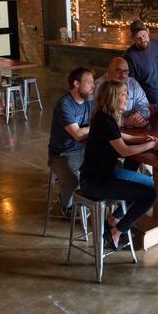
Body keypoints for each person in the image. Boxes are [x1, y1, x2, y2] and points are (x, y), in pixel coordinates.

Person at [80, 80, 158, 251]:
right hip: (97, 183)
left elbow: (121, 136)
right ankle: (117, 231)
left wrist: (143, 139)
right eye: (123, 94)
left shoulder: (104, 117)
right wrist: (151, 145)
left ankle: (114, 219)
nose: (127, 97)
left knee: (150, 184)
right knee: (150, 195)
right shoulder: (104, 121)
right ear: (113, 98)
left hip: (103, 174)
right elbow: (124, 150)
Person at [48, 67, 95, 214]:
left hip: (85, 150)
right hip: (62, 154)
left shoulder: (89, 101)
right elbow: (78, 135)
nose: (93, 86)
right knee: (74, 182)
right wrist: (93, 127)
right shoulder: (65, 104)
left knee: (106, 172)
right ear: (76, 84)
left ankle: (91, 209)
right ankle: (65, 207)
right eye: (89, 83)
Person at [123, 19, 158, 105]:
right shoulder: (129, 56)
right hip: (145, 104)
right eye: (138, 37)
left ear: (148, 31)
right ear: (133, 39)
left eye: (143, 35)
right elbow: (131, 84)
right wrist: (143, 103)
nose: (142, 39)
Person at [93, 57, 150, 128]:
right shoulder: (98, 87)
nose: (123, 75)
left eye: (126, 71)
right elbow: (98, 118)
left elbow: (144, 105)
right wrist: (125, 121)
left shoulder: (132, 83)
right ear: (109, 70)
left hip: (133, 128)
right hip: (108, 130)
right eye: (118, 71)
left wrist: (139, 116)